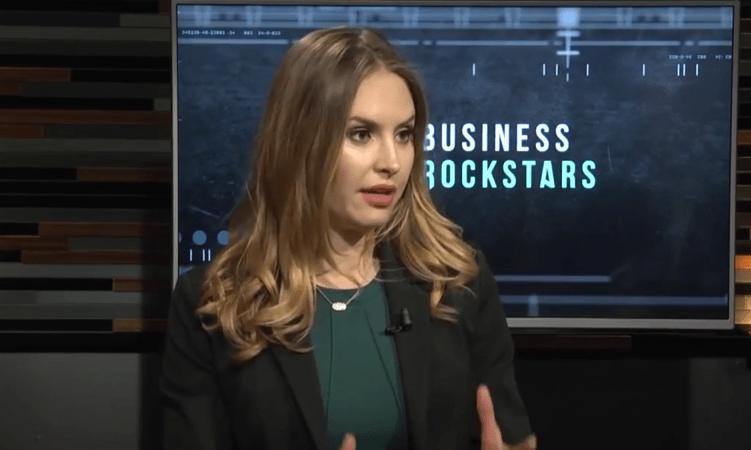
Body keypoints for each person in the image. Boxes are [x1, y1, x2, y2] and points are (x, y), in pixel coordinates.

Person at [161, 26, 536, 450]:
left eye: (404, 134)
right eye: (361, 134)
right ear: (301, 143)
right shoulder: (214, 303)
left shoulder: (457, 284)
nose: (392, 162)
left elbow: (507, 432)